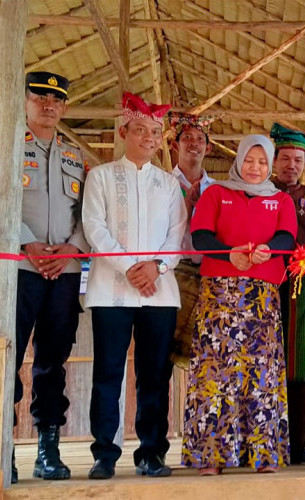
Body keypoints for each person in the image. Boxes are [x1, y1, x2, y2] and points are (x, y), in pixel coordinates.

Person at [82, 92, 186, 480]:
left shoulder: (168, 184)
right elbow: (94, 228)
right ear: (124, 131)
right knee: (108, 371)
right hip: (111, 289)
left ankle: (151, 453)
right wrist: (130, 267)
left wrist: (156, 266)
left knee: (155, 374)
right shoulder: (101, 176)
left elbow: (179, 235)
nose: (147, 137)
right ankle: (104, 454)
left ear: (160, 139)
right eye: (140, 129)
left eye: (154, 132)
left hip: (159, 291)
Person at [182, 135, 297, 475]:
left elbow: (286, 238)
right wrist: (228, 254)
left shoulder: (281, 200)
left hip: (261, 298)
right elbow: (201, 235)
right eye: (250, 160)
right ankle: (211, 456)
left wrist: (268, 251)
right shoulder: (216, 193)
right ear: (239, 160)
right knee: (214, 372)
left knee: (261, 372)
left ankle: (264, 455)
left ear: (270, 165)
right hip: (219, 294)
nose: (255, 167)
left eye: (262, 162)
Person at [15, 71, 89, 483]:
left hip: (63, 274)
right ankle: (4, 449)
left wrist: (72, 249)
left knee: (52, 363)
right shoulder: (7, 147)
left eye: (55, 100)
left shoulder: (74, 156)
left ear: (63, 107)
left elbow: (87, 215)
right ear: (25, 100)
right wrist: (27, 243)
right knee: (6, 360)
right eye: (40, 96)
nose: (48, 105)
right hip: (18, 272)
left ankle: (48, 448)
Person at [270, 123, 305, 465]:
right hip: (262, 286)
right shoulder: (258, 193)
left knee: (301, 366)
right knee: (263, 366)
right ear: (274, 160)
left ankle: (297, 444)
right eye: (286, 158)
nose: (292, 165)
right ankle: (264, 441)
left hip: (302, 288)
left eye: (298, 159)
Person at [168, 112, 216, 368]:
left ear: (208, 147)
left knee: (204, 358)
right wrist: (186, 205)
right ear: (175, 145)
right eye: (187, 137)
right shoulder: (162, 184)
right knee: (161, 355)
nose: (193, 143)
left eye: (200, 138)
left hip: (209, 275)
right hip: (172, 273)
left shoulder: (219, 189)